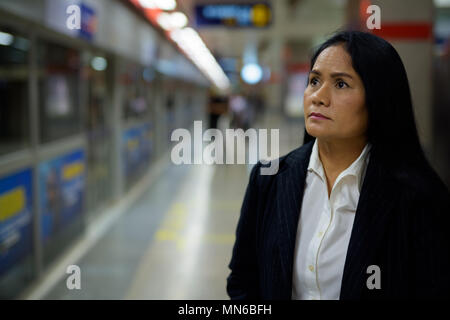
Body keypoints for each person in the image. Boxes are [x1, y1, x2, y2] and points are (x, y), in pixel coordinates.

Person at [226, 31, 450, 300]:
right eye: (314, 80)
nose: (318, 97)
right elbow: (243, 280)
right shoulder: (268, 180)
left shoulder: (417, 199)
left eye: (341, 84)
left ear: (378, 99)